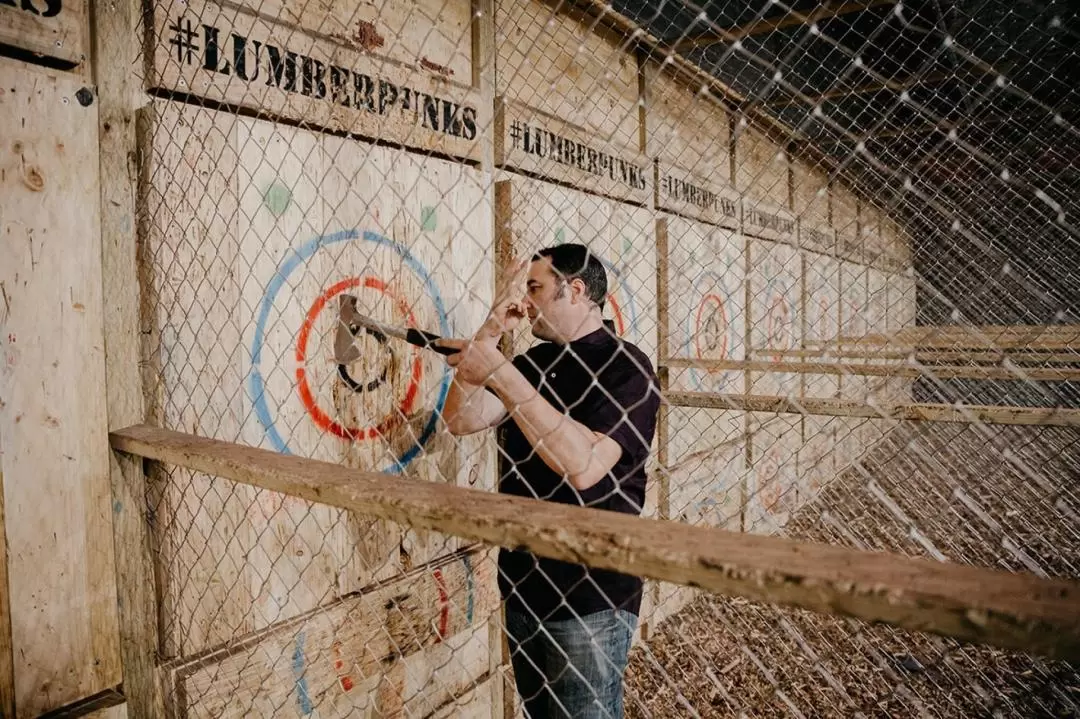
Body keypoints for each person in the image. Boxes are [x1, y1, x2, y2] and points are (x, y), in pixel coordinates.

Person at [438, 243, 661, 719]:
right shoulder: (535, 363)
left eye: (535, 287)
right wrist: (492, 331)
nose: (527, 299)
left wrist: (499, 371)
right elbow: (460, 418)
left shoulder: (627, 367)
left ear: (575, 290)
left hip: (590, 594)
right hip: (523, 582)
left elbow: (583, 466)